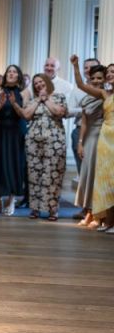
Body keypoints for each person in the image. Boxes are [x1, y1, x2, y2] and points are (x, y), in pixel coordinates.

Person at [11, 73, 67, 221]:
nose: (38, 84)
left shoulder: (59, 97)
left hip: (54, 143)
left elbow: (59, 112)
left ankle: (52, 209)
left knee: (53, 174)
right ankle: (35, 208)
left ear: (47, 82)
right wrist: (38, 100)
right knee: (34, 175)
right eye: (35, 83)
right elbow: (27, 115)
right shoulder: (33, 101)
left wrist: (46, 99)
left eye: (41, 81)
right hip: (33, 143)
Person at [71, 57, 114, 232]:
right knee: (104, 180)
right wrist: (75, 66)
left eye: (112, 72)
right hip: (105, 137)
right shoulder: (105, 94)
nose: (110, 74)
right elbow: (82, 86)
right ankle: (107, 220)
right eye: (109, 72)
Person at [0, 65, 27, 216]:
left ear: (19, 76)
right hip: (0, 130)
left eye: (14, 72)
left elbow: (25, 114)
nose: (11, 74)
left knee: (13, 164)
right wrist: (1, 105)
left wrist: (14, 103)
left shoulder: (24, 92)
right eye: (9, 71)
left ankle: (11, 199)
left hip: (16, 131)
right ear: (6, 75)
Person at [68, 58, 100, 219]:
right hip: (83, 133)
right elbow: (72, 112)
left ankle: (97, 210)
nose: (89, 71)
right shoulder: (81, 92)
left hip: (101, 135)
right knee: (84, 172)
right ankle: (86, 208)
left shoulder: (105, 91)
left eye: (92, 68)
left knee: (97, 173)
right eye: (86, 68)